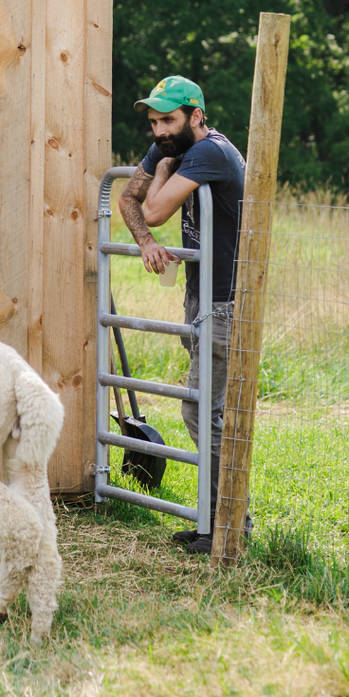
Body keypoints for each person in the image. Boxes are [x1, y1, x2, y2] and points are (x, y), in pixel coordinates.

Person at [117, 75, 248, 555]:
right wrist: (146, 244)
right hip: (199, 293)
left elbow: (153, 208)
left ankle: (229, 524)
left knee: (201, 410)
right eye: (153, 121)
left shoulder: (209, 152)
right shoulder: (172, 146)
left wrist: (165, 171)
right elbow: (128, 199)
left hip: (226, 299)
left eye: (168, 119)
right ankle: (215, 520)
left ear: (196, 115)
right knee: (204, 409)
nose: (158, 131)